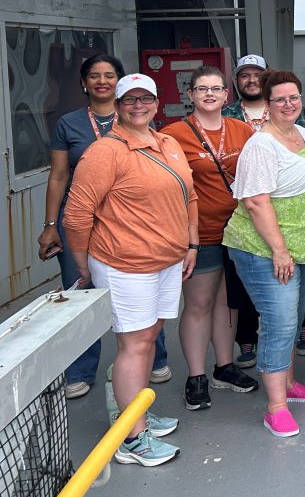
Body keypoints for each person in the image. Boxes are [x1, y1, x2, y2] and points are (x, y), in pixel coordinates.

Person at [63, 73, 197, 467]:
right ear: (118, 106)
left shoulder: (167, 142)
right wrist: (85, 263)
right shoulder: (106, 152)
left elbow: (188, 196)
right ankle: (131, 439)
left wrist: (190, 245)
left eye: (146, 99)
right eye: (129, 100)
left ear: (157, 103)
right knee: (135, 343)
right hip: (125, 264)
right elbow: (76, 215)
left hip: (167, 260)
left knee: (151, 334)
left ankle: (133, 411)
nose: (138, 106)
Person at [40, 55, 171, 399]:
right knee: (79, 294)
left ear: (120, 84)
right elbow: (58, 175)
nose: (102, 81)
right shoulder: (69, 123)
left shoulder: (137, 118)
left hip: (130, 224)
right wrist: (51, 224)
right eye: (94, 76)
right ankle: (81, 369)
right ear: (84, 83)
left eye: (109, 76)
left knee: (144, 293)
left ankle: (155, 358)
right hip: (80, 220)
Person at [224, 70, 305, 439]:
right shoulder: (261, 144)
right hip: (265, 249)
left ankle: (288, 384)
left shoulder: (301, 133)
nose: (288, 104)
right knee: (280, 322)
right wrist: (279, 250)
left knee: (295, 315)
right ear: (266, 105)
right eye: (280, 99)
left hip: (301, 247)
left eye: (294, 97)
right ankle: (275, 407)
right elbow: (255, 201)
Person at [162, 68, 260, 411]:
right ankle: (196, 375)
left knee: (227, 302)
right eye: (201, 89)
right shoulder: (173, 135)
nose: (209, 94)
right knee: (200, 303)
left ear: (225, 95)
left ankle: (224, 366)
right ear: (190, 95)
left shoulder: (242, 130)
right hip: (198, 234)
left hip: (237, 232)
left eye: (216, 88)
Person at [222, 53, 272, 366]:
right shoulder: (226, 114)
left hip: (281, 203)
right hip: (237, 205)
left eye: (257, 74)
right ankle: (247, 337)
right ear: (236, 81)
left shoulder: (283, 107)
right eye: (244, 75)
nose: (251, 80)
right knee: (242, 277)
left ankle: (303, 325)